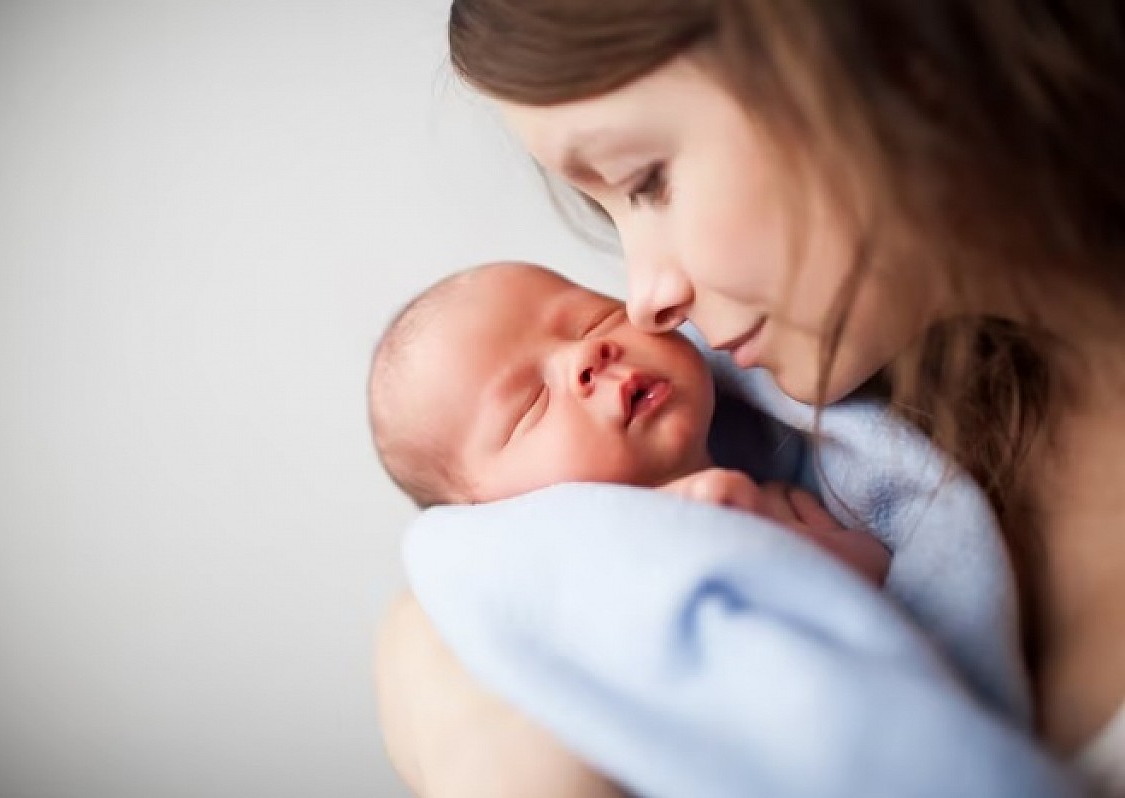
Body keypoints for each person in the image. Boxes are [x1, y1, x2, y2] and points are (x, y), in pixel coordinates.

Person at [380, 2, 1125, 795]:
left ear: (878, 42)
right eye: (613, 210)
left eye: (646, 180)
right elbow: (450, 593)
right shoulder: (817, 415)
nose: (644, 301)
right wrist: (482, 732)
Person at [368, 260, 890, 582]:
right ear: (495, 515)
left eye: (592, 319)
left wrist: (793, 545)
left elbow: (894, 589)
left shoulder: (780, 495)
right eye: (530, 403)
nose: (587, 354)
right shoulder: (570, 586)